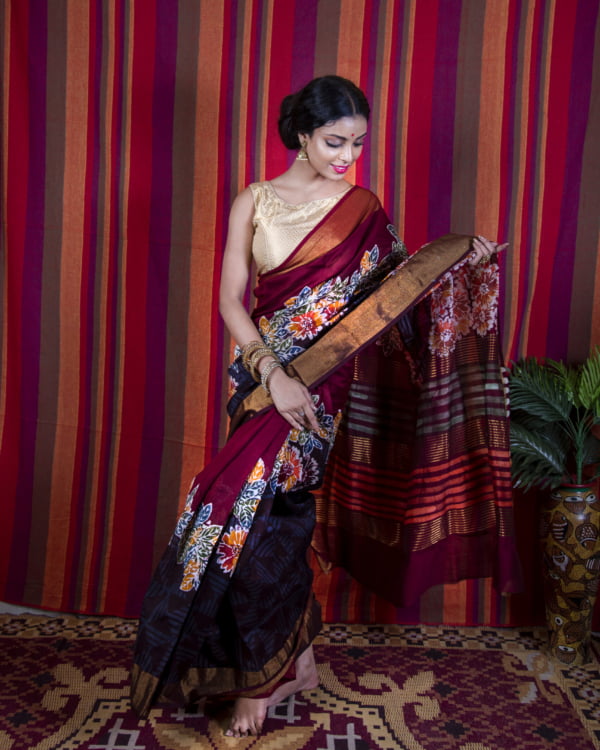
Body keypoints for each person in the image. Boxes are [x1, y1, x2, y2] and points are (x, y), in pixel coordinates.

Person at [130, 75, 512, 737]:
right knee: (259, 529)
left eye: (358, 143)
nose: (347, 156)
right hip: (258, 386)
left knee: (262, 536)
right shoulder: (256, 200)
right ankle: (294, 662)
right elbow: (230, 300)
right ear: (301, 136)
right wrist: (271, 372)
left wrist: (456, 262)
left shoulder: (361, 207)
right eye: (335, 141)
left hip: (319, 396)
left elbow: (394, 294)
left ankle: (263, 681)